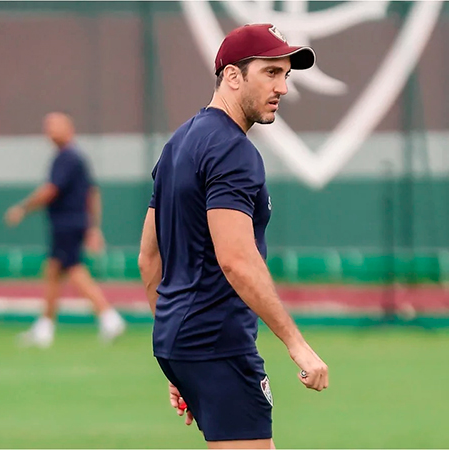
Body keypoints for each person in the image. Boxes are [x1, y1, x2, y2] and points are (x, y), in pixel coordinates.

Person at [137, 24, 329, 448]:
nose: (281, 87)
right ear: (233, 76)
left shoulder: (179, 142)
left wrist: (176, 346)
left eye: (285, 75)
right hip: (217, 343)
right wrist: (297, 345)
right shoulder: (232, 150)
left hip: (183, 341)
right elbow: (236, 259)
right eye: (270, 73)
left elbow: (149, 259)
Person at [5, 112, 126, 348]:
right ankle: (45, 327)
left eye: (54, 126)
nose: (49, 131)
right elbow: (92, 192)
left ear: (69, 129)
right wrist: (92, 227)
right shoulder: (73, 158)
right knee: (52, 271)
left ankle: (109, 317)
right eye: (47, 126)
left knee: (74, 270)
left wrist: (23, 208)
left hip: (67, 224)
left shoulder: (67, 158)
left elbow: (51, 191)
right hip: (70, 224)